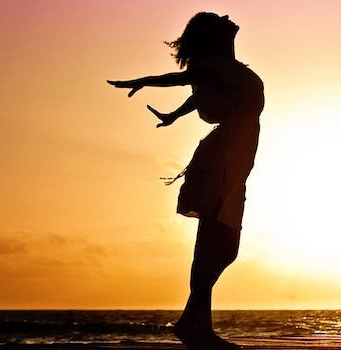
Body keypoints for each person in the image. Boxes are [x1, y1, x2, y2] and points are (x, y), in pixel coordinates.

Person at [108, 12, 264, 350]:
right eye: (220, 19)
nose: (228, 17)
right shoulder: (215, 66)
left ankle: (190, 322)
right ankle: (197, 328)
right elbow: (178, 80)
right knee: (216, 243)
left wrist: (173, 115)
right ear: (214, 35)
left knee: (222, 246)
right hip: (222, 159)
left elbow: (197, 94)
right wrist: (143, 81)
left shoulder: (228, 69)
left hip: (232, 157)